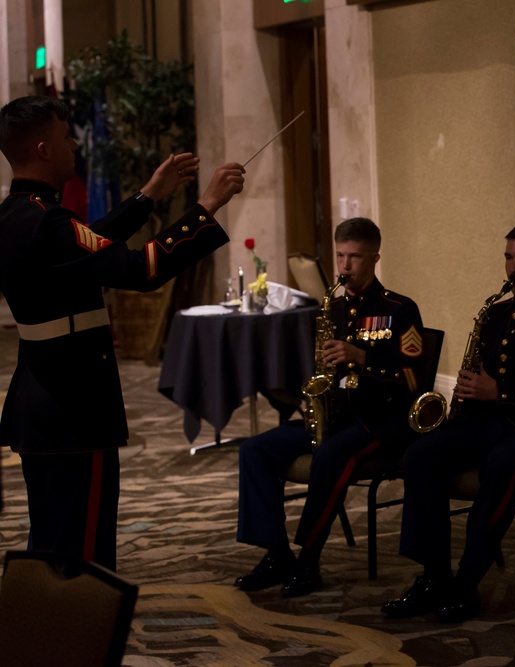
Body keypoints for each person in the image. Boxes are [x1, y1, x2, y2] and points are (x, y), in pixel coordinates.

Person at [0, 95, 245, 570]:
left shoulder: (18, 215)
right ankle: (76, 641)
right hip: (74, 407)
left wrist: (148, 196)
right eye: (66, 134)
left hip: (40, 404)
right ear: (44, 147)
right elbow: (140, 269)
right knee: (83, 555)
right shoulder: (49, 221)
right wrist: (207, 205)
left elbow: (87, 243)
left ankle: (41, 635)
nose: (75, 143)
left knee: (50, 542)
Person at [381, 221, 515, 623]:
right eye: (509, 257)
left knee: (501, 468)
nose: (513, 268)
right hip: (486, 424)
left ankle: (467, 580)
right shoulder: (496, 314)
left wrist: (500, 392)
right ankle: (434, 576)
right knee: (420, 455)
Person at [234, 217, 424, 597]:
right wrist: (308, 400)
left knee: (330, 457)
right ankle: (276, 553)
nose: (345, 266)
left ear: (374, 258)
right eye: (340, 256)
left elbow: (415, 380)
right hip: (334, 416)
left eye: (354, 257)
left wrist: (363, 358)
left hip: (379, 421)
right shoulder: (332, 309)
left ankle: (309, 558)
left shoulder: (400, 309)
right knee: (254, 450)